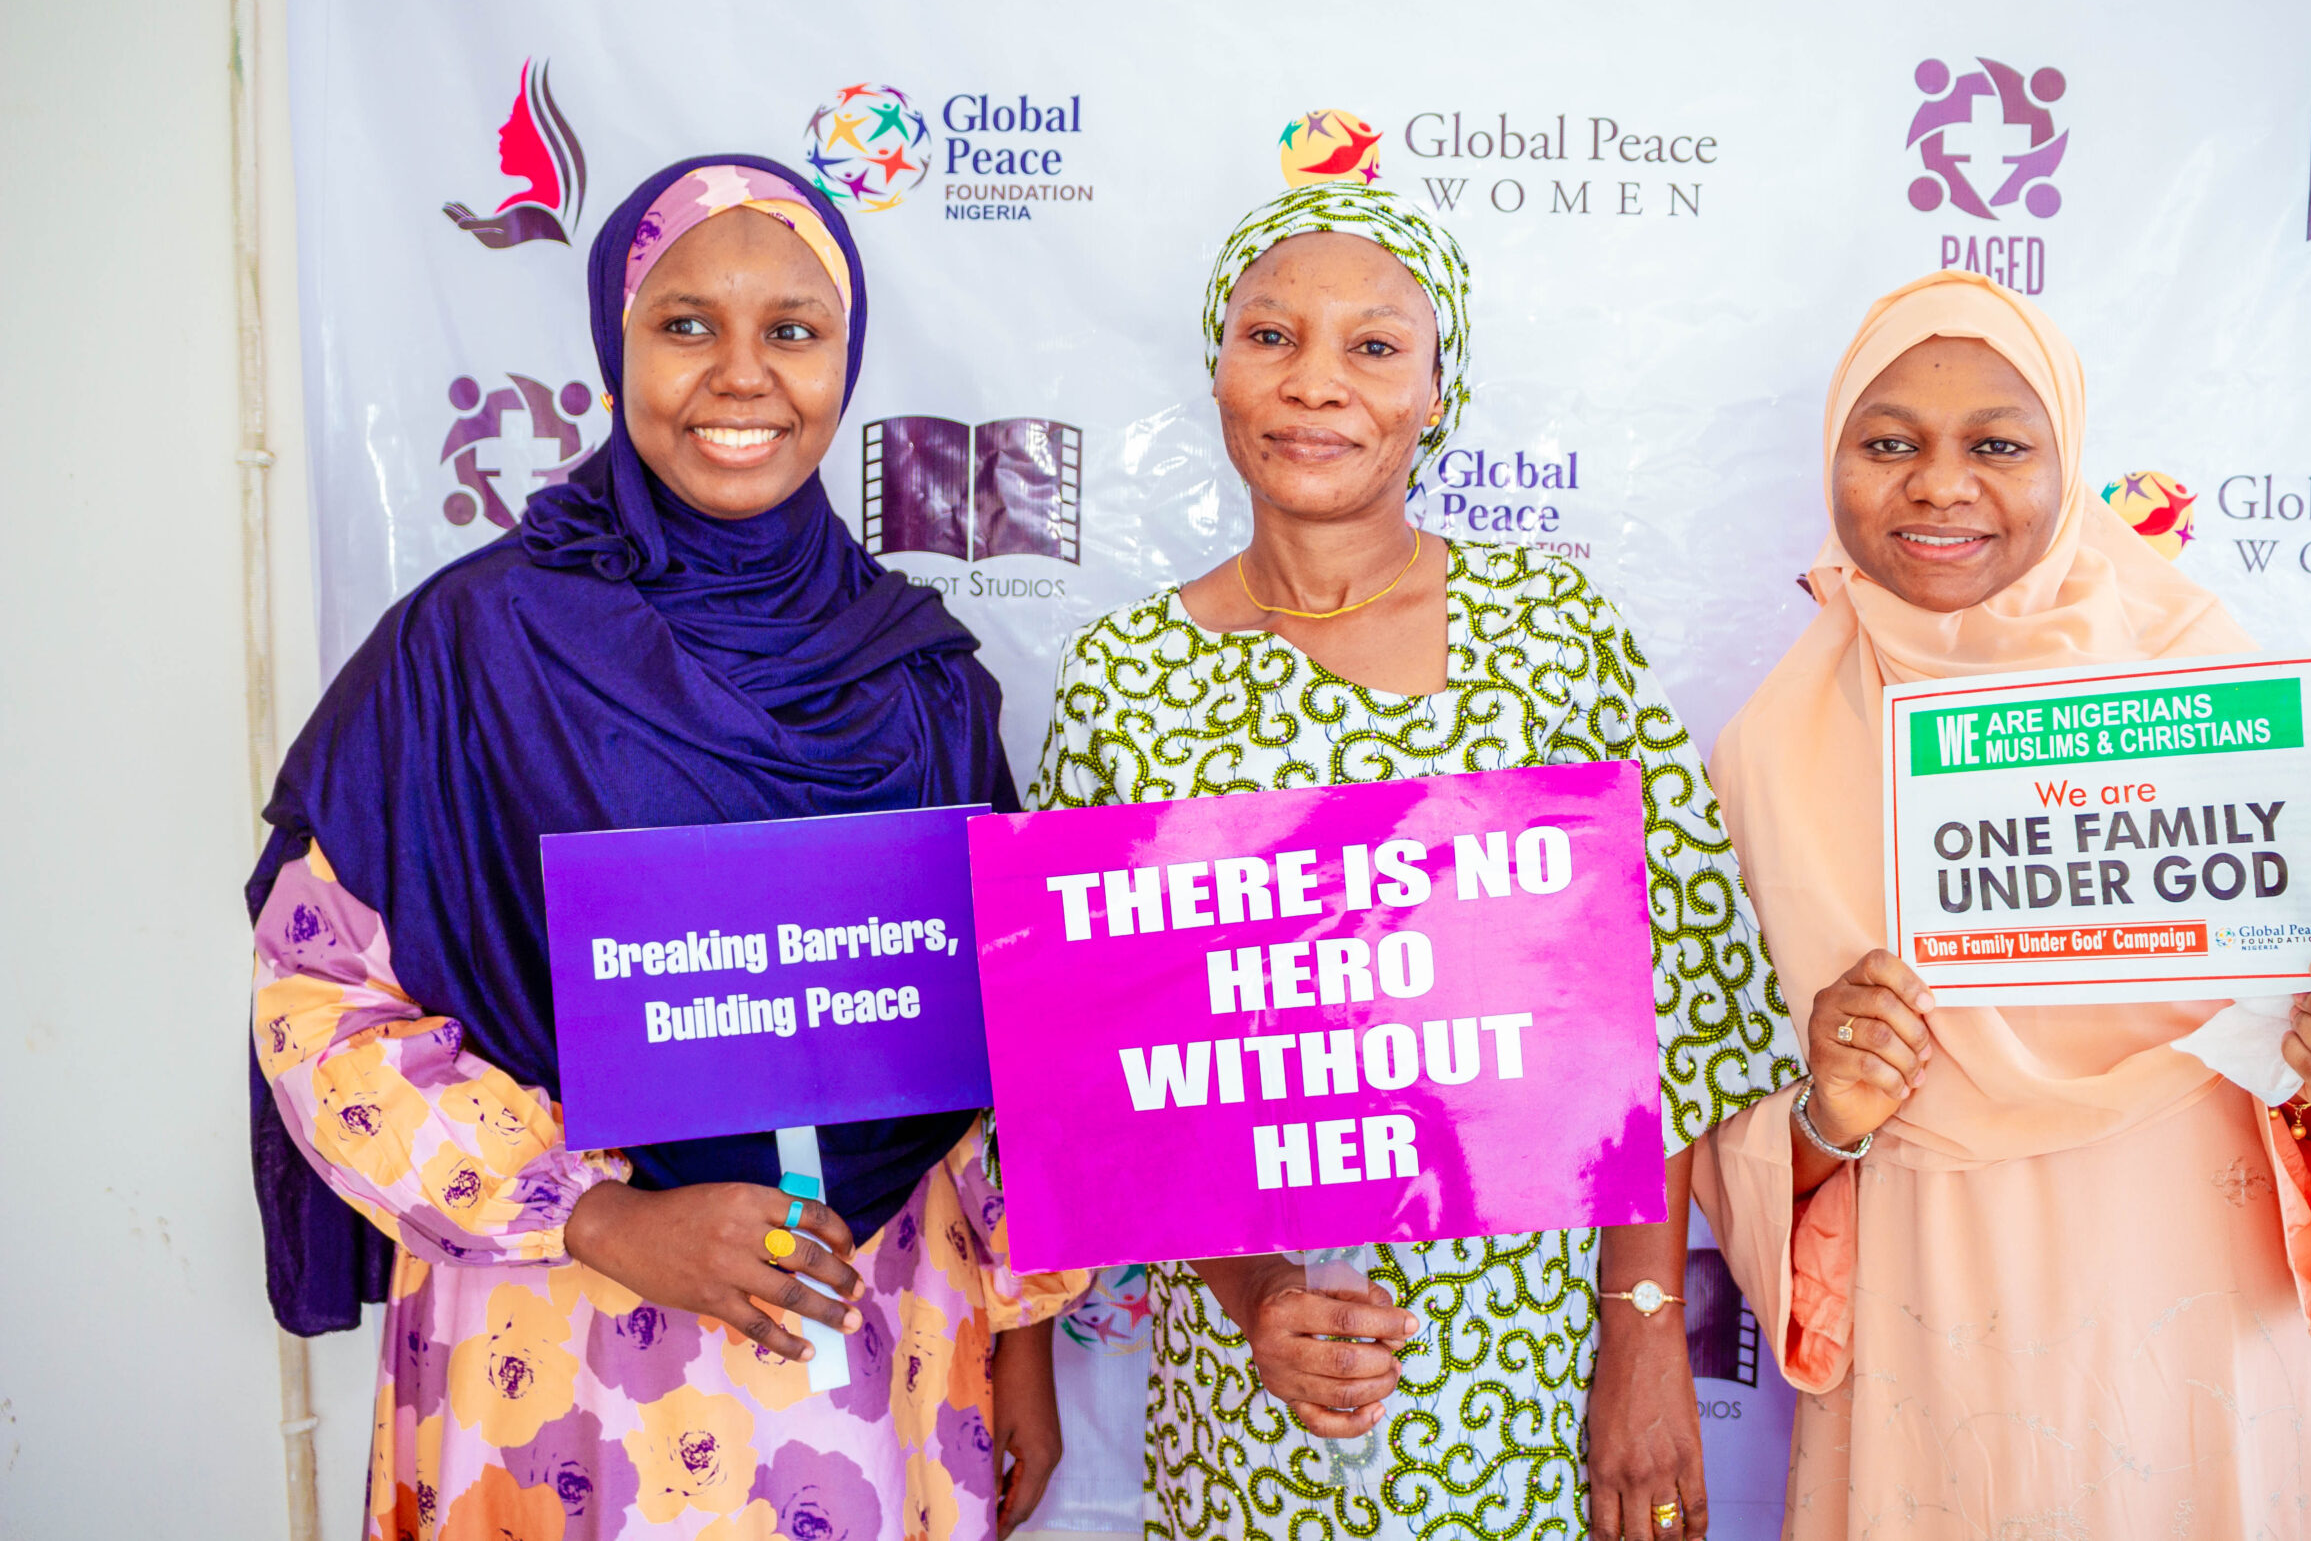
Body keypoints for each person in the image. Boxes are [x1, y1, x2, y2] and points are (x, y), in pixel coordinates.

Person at [246, 156, 1082, 1541]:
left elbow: (995, 1046)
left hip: (870, 1365)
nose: (741, 375)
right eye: (686, 323)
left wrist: (1023, 1339)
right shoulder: (473, 647)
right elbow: (315, 1005)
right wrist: (603, 1220)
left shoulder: (920, 677)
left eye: (792, 330)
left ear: (847, 357)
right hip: (558, 1359)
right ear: (615, 340)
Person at [1026, 184, 1800, 1541]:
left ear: (1439, 391)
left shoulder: (1550, 636)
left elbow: (1660, 1017)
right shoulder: (1124, 681)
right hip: (1248, 1393)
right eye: (1271, 335)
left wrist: (1642, 1333)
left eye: (1375, 346)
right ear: (1217, 364)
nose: (1314, 381)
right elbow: (1110, 1086)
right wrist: (1259, 1296)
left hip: (1524, 1373)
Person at [1693, 269, 2311, 1538]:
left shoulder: (2200, 683)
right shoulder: (1770, 751)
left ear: (2068, 463)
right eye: (1888, 444)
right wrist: (1828, 1112)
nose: (1939, 485)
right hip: (1946, 1321)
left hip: (2216, 1306)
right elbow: (1727, 1127)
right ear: (1834, 462)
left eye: (1997, 445)